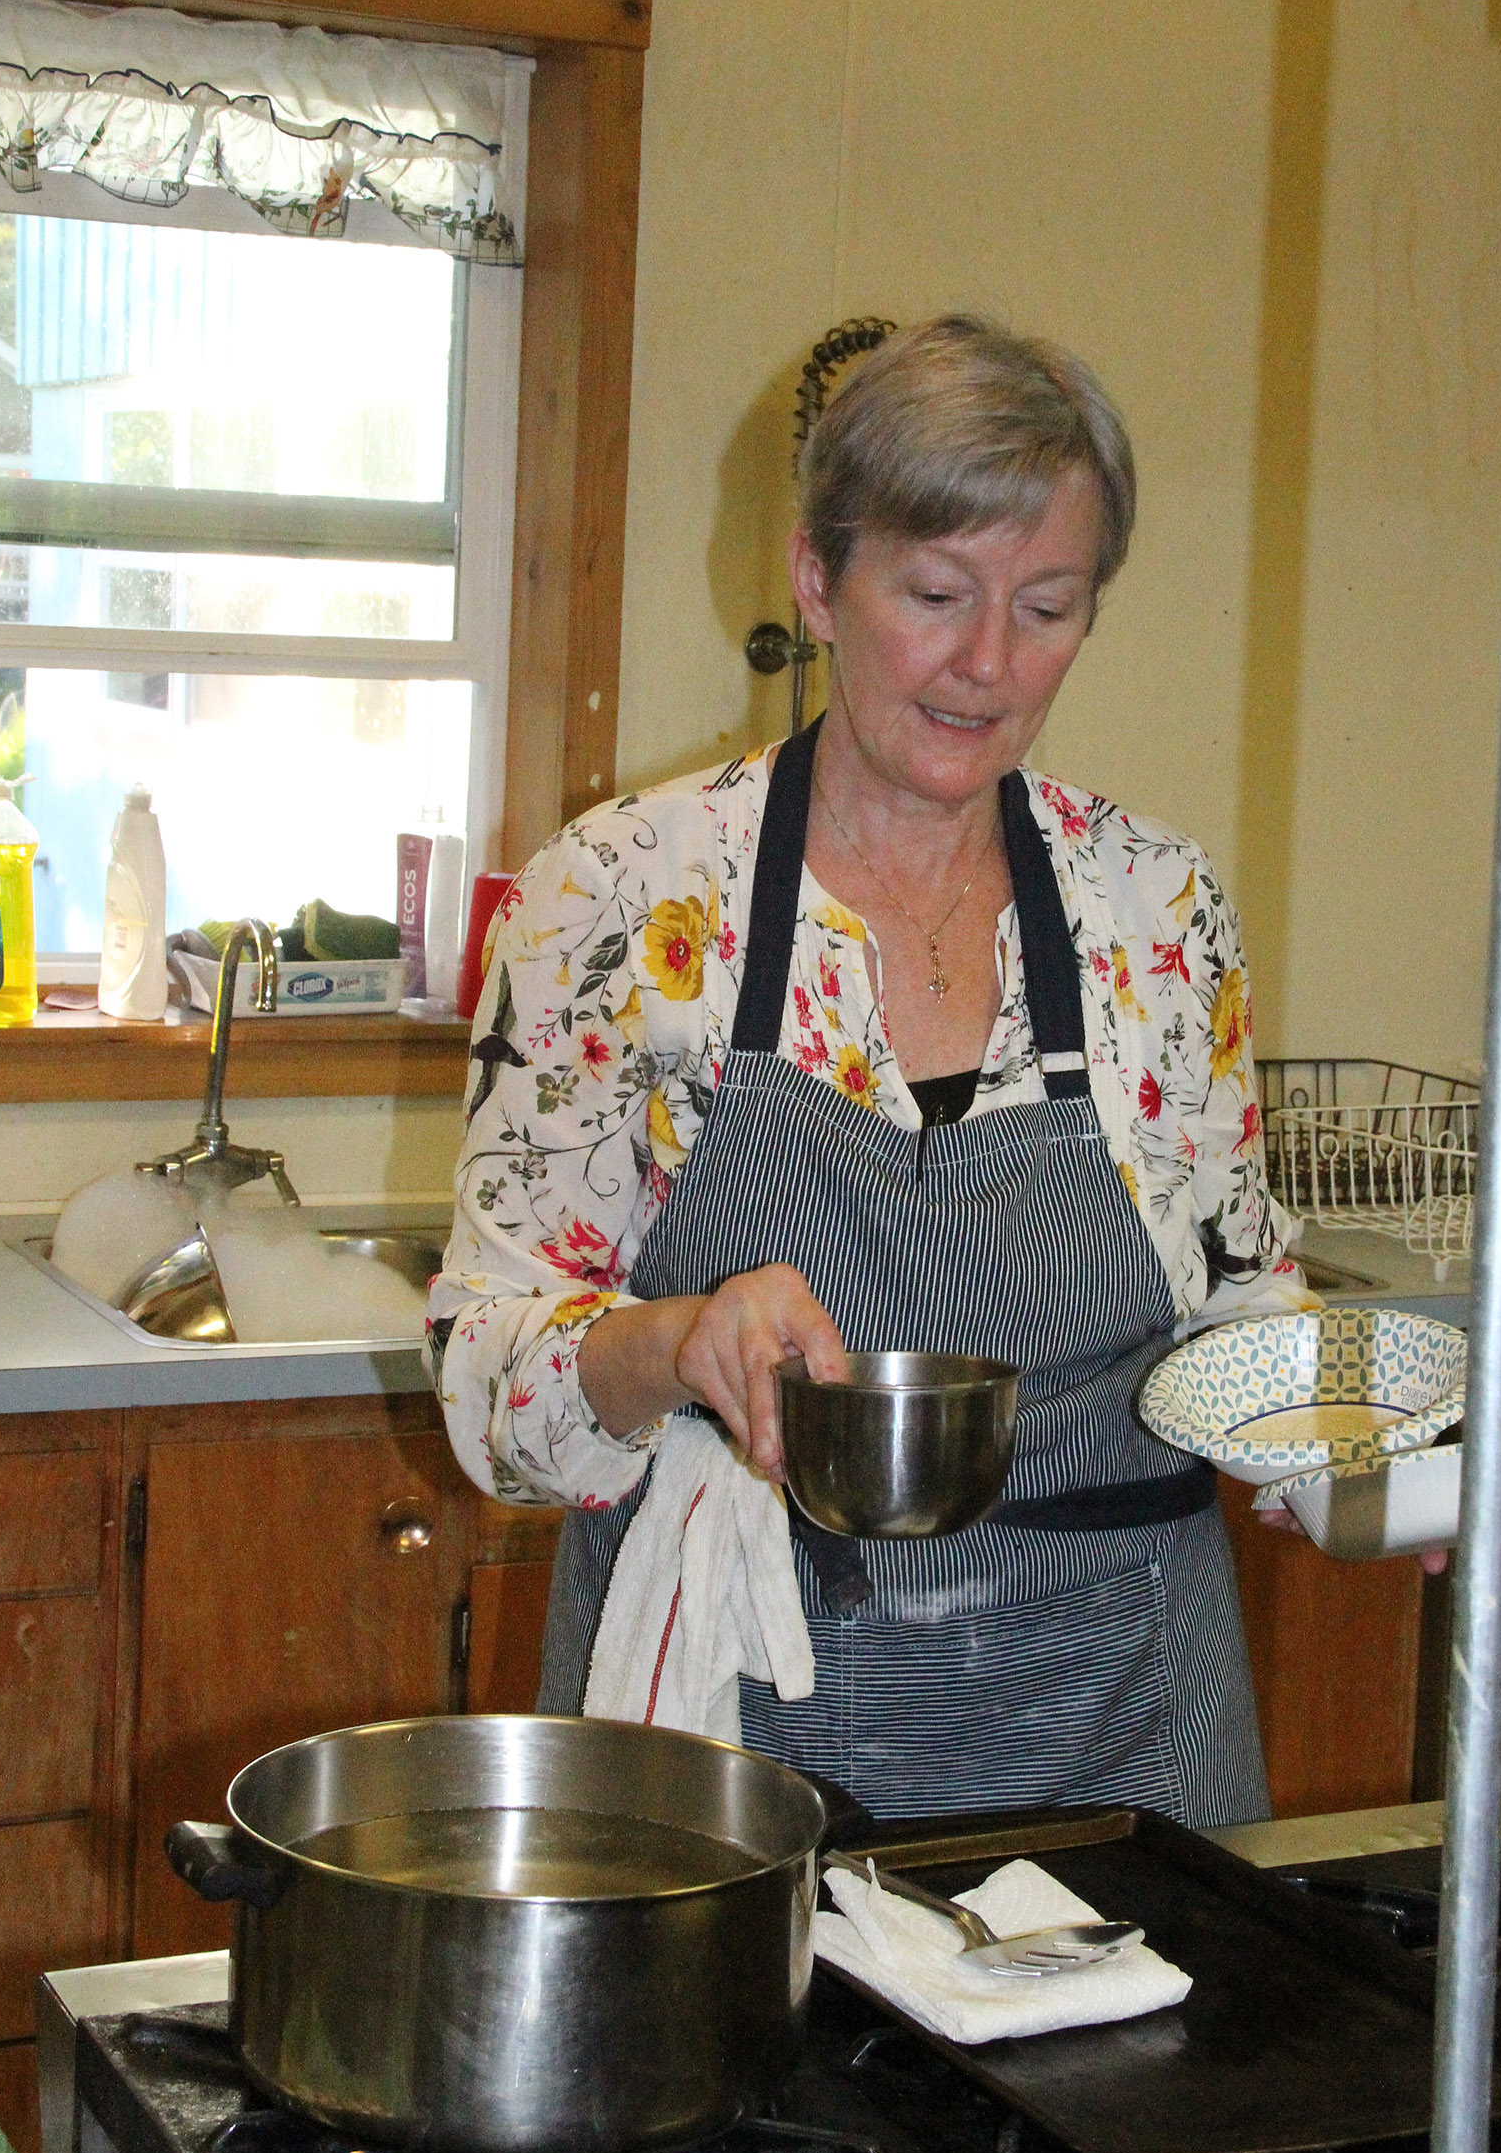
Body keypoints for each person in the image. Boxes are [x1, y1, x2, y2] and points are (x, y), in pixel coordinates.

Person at [426, 314, 1305, 1828]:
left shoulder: (1154, 905)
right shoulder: (619, 897)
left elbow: (1238, 1298)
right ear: (818, 581)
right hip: (743, 1742)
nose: (988, 664)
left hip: (1129, 1730)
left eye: (1047, 607)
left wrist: (1353, 1463)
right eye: (937, 595)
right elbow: (490, 1388)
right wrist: (677, 1341)